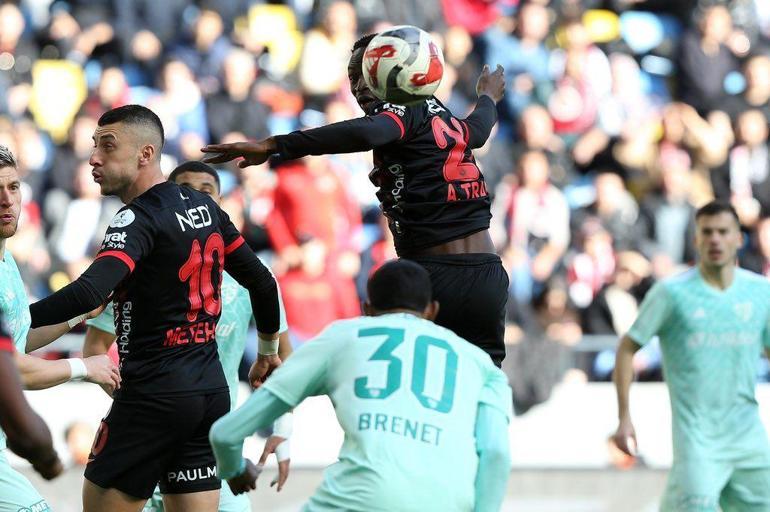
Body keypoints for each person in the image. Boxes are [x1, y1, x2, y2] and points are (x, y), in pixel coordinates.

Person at [27, 105, 282, 512]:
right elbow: (263, 282)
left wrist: (16, 323)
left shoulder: (137, 218)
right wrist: (267, 352)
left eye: (107, 146)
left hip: (152, 396)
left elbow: (89, 293)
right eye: (93, 145)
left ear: (146, 154)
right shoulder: (209, 210)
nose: (94, 157)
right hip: (210, 395)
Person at [202, 33, 510, 366]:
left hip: (434, 274)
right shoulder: (439, 114)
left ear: (391, 72)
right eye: (352, 78)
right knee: (483, 381)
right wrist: (488, 98)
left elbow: (367, 133)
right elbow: (476, 131)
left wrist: (275, 145)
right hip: (487, 274)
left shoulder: (402, 109)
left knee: (415, 389)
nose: (358, 86)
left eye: (366, 74)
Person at [209, 259, 513, 511]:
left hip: (358, 500)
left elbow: (225, 433)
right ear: (432, 311)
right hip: (449, 502)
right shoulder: (481, 365)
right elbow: (496, 453)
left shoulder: (343, 336)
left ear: (367, 309)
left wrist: (234, 469)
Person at [83, 160, 293, 512]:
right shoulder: (137, 264)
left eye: (205, 192)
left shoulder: (253, 279)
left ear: (221, 203)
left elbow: (280, 360)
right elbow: (95, 347)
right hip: (148, 426)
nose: (194, 199)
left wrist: (282, 429)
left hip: (210, 437)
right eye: (185, 191)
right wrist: (139, 398)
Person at [613, 201, 770, 511]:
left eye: (723, 232)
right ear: (696, 240)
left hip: (748, 438)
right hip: (698, 441)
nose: (715, 239)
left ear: (739, 239)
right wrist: (624, 418)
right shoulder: (671, 293)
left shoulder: (760, 292)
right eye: (707, 232)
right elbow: (627, 348)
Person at [0, 145, 119, 512]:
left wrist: (79, 316)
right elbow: (12, 368)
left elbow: (18, 340)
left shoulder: (7, 262)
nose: (6, 201)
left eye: (14, 188)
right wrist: (85, 368)